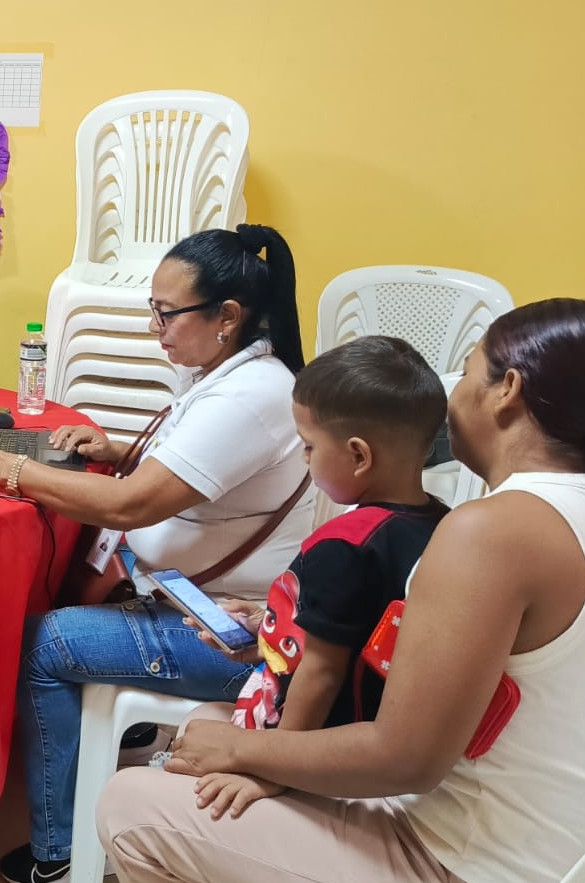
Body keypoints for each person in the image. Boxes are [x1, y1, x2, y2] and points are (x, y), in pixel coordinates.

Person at [95, 299, 585, 883]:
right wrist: (274, 648)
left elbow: (406, 758)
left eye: (469, 372)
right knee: (217, 743)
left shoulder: (494, 532)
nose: (454, 396)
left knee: (133, 806)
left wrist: (247, 751)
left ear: (507, 391)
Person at [0, 224, 316, 883]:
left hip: (231, 631)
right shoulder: (230, 374)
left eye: (167, 314)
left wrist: (10, 470)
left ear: (228, 317)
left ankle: (59, 852)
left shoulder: (249, 397)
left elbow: (131, 507)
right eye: (153, 310)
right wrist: (118, 450)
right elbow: (192, 469)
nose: (154, 329)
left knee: (46, 642)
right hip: (195, 600)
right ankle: (109, 744)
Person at [193, 335, 451, 820]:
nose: (304, 459)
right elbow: (355, 630)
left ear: (359, 456)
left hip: (307, 746)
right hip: (353, 747)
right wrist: (268, 626)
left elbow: (323, 670)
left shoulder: (344, 543)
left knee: (192, 737)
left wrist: (273, 769)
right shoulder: (443, 525)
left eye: (310, 446)